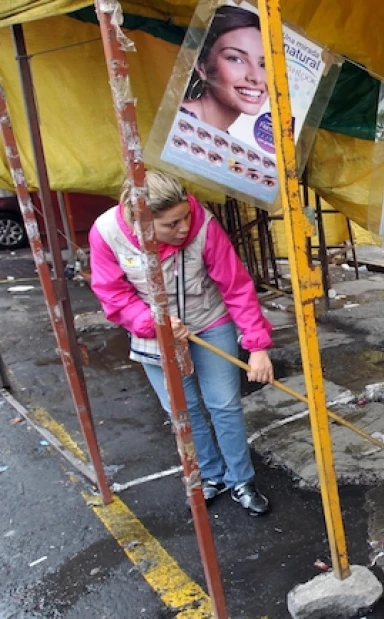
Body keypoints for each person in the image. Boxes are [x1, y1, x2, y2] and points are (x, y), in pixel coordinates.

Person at [89, 170, 273, 516]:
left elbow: (236, 285)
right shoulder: (107, 233)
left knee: (224, 404)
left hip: (209, 320)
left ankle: (241, 480)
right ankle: (210, 475)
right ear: (140, 220)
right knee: (182, 411)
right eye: (171, 224)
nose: (184, 227)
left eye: (185, 215)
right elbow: (112, 294)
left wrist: (257, 345)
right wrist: (150, 322)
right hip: (154, 334)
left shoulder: (202, 223)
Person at [181, 5, 267, 132]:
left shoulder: (217, 135)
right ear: (201, 65)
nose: (256, 77)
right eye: (235, 59)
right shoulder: (178, 123)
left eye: (264, 65)